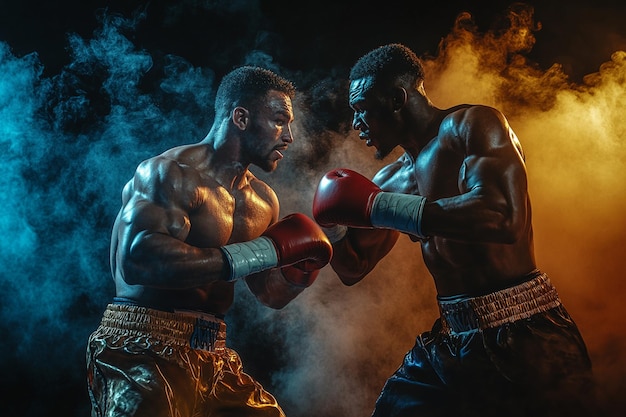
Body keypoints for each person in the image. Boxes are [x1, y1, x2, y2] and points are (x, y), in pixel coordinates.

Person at [312, 44, 596, 417]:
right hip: (451, 342)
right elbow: (354, 266)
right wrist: (327, 226)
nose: (357, 125)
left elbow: (501, 216)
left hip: (526, 334)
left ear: (397, 98)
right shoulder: (391, 180)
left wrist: (380, 208)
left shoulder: (472, 126)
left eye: (362, 109)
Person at [87, 65, 333, 417]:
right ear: (241, 118)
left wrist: (299, 272)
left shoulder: (263, 201)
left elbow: (268, 292)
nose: (289, 136)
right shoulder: (169, 173)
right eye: (280, 120)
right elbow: (137, 259)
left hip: (212, 355)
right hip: (140, 349)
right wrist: (263, 251)